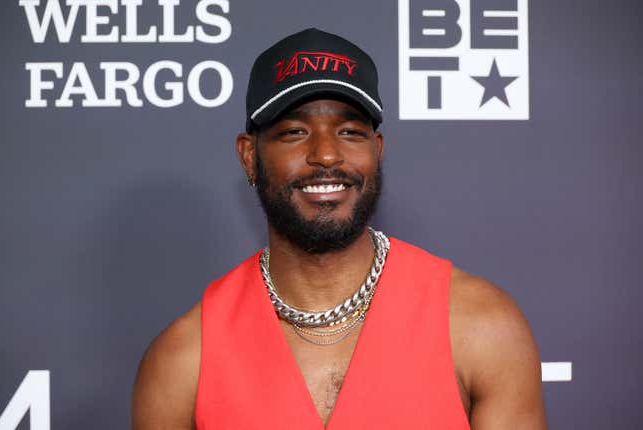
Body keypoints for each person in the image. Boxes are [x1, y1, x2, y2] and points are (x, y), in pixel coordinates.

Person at [131, 28, 547, 429]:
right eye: (294, 132)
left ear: (377, 151)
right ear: (248, 156)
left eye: (350, 132)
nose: (327, 154)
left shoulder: (481, 326)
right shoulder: (183, 359)